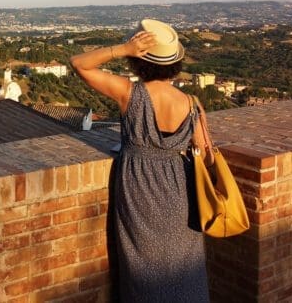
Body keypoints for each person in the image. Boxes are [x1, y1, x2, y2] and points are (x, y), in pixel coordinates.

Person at [70, 19, 210, 302]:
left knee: (142, 263)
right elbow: (204, 152)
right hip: (180, 187)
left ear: (139, 61)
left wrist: (123, 48)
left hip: (139, 185)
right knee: (185, 263)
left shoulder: (130, 94)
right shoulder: (192, 102)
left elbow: (79, 63)